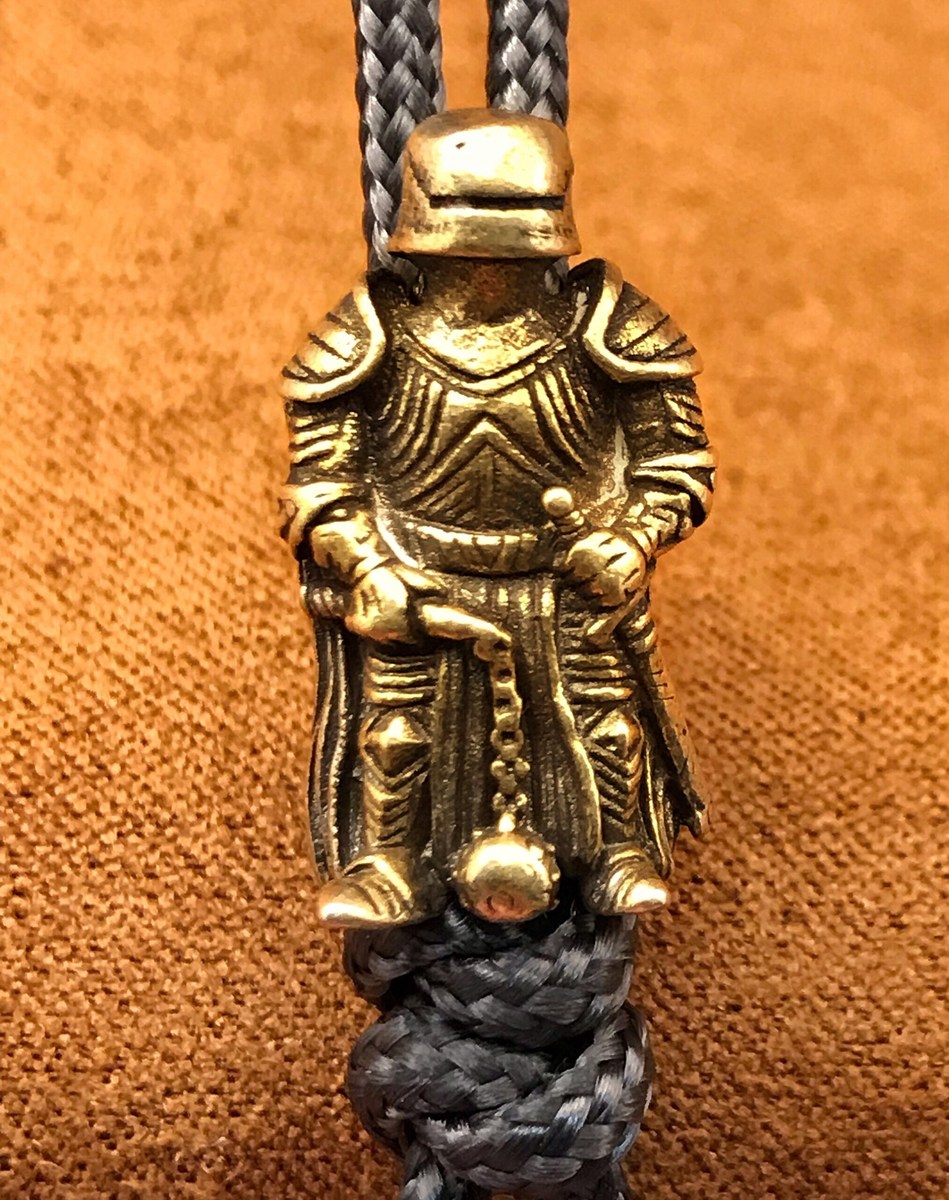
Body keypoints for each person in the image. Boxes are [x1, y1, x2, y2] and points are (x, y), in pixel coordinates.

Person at [280, 109, 715, 928]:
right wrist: (369, 564)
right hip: (419, 572)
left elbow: (676, 466)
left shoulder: (612, 329)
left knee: (606, 722)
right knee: (396, 733)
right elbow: (320, 486)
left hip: (564, 577)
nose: (490, 258)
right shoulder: (368, 336)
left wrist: (632, 538)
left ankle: (618, 850)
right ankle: (387, 860)